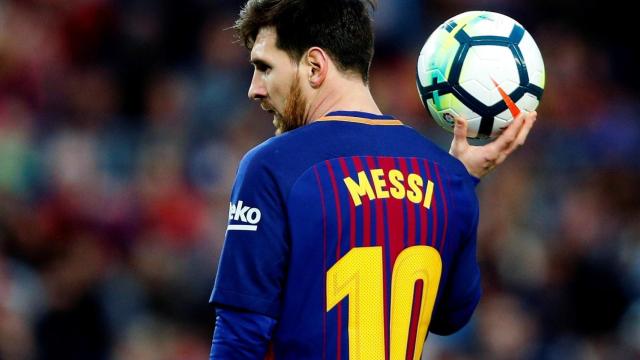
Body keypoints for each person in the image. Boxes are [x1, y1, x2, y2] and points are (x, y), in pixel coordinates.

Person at [209, 0, 537, 358]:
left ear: (315, 66)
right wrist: (460, 181)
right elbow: (450, 316)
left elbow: (241, 334)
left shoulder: (271, 166)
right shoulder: (447, 179)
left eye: (264, 67)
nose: (254, 89)